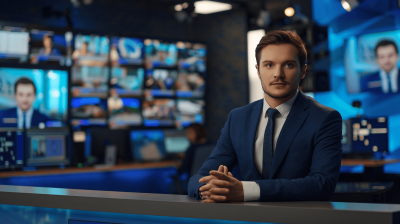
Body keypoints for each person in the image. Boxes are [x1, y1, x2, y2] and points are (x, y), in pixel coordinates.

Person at [188, 30, 342, 203]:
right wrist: (208, 189)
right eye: (269, 65)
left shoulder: (325, 118)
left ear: (303, 71)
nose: (278, 74)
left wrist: (244, 190)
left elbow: (322, 184)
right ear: (258, 70)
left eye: (288, 65)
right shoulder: (238, 118)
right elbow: (199, 177)